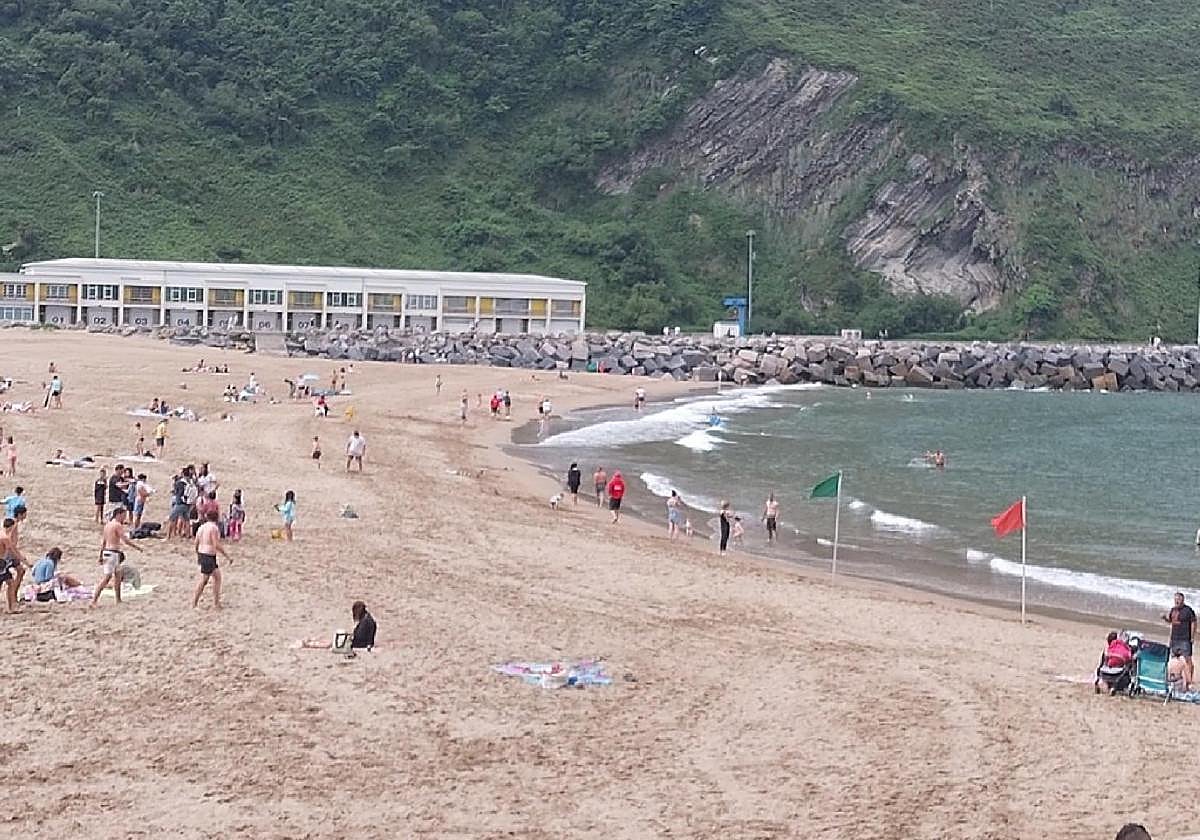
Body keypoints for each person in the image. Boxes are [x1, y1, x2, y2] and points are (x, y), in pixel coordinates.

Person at [91, 507, 143, 607]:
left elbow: (104, 542)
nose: (124, 518)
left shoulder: (108, 525)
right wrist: (137, 547)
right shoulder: (117, 525)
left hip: (108, 552)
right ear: (118, 515)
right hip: (112, 553)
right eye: (124, 515)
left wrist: (100, 555)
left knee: (118, 576)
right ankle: (94, 600)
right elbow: (125, 540)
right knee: (107, 578)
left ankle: (118, 599)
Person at [192, 510, 231, 609]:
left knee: (217, 577)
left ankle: (216, 603)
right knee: (204, 580)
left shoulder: (202, 527)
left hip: (203, 553)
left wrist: (197, 553)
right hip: (208, 555)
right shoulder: (213, 528)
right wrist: (227, 556)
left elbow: (196, 542)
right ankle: (194, 603)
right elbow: (216, 544)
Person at [1162, 592, 1196, 689]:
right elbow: (1171, 622)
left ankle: (1190, 681)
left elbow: (1194, 622)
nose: (1177, 601)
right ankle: (1175, 679)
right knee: (1174, 660)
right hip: (1174, 638)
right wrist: (1165, 618)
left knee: (1187, 660)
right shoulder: (1173, 610)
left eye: (1179, 599)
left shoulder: (1188, 610)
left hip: (1185, 638)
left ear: (1183, 600)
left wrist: (1192, 637)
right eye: (1175, 599)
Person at [0, 517, 27, 613]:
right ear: (10, 527)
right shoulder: (5, 538)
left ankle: (10, 607)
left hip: (2, 562)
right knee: (10, 583)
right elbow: (13, 551)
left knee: (8, 582)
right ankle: (10, 608)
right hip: (1, 563)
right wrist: (24, 561)